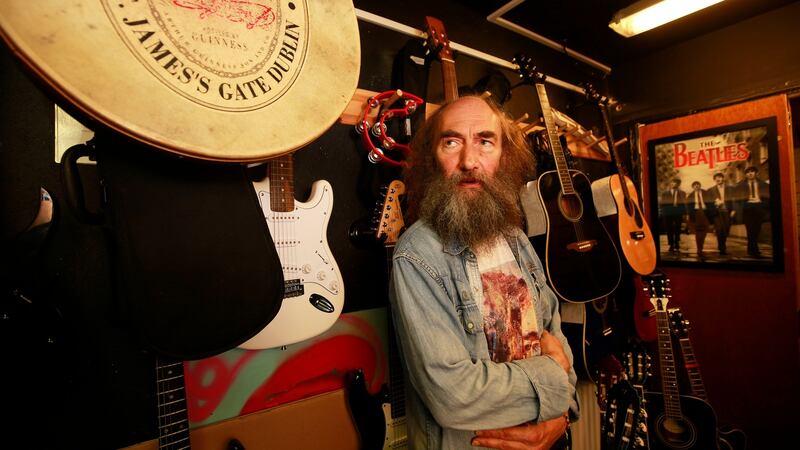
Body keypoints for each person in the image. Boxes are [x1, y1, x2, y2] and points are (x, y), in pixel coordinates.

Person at [389, 95, 579, 450]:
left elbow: (554, 333)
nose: (469, 161)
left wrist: (559, 418)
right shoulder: (417, 255)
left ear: (504, 155)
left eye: (485, 141)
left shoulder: (515, 237)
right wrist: (554, 384)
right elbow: (452, 394)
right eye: (451, 142)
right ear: (432, 158)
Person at [736, 166, 770, 257]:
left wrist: (763, 206)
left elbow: (768, 197)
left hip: (759, 206)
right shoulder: (740, 185)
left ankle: (751, 249)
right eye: (748, 172)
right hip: (748, 207)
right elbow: (737, 199)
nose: (750, 173)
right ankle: (754, 250)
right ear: (746, 174)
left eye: (752, 171)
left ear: (756, 173)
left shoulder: (763, 184)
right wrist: (739, 210)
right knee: (750, 229)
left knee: (757, 229)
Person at [706, 172, 735, 255]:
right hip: (717, 212)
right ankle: (722, 247)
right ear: (714, 180)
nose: (718, 179)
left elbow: (733, 200)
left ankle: (723, 243)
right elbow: (709, 202)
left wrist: (733, 210)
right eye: (716, 178)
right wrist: (714, 205)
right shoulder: (711, 190)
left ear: (723, 178)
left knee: (726, 230)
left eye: (720, 177)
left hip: (727, 211)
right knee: (719, 229)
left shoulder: (730, 188)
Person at [659, 177, 687, 253]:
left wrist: (685, 214)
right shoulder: (665, 193)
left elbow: (684, 204)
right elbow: (662, 204)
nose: (673, 184)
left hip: (678, 213)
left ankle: (677, 242)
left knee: (678, 228)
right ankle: (671, 244)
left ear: (678, 184)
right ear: (670, 183)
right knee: (669, 229)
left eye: (675, 182)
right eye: (672, 182)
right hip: (668, 213)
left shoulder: (682, 193)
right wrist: (663, 213)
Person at [687, 181, 711, 258]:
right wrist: (689, 216)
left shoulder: (706, 193)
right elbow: (688, 207)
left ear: (700, 185)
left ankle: (701, 246)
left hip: (705, 212)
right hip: (696, 213)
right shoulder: (690, 195)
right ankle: (699, 249)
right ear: (692, 187)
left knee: (704, 231)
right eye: (694, 185)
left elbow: (710, 203)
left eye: (698, 184)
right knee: (698, 232)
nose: (696, 186)